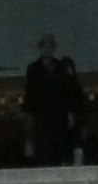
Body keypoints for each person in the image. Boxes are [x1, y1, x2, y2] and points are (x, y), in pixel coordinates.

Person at [24, 31, 85, 167]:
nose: (47, 49)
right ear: (40, 48)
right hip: (41, 115)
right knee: (44, 147)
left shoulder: (61, 67)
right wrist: (29, 116)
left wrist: (70, 112)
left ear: (53, 48)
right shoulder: (33, 69)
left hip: (59, 115)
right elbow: (30, 94)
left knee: (60, 145)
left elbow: (68, 92)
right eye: (44, 46)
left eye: (49, 46)